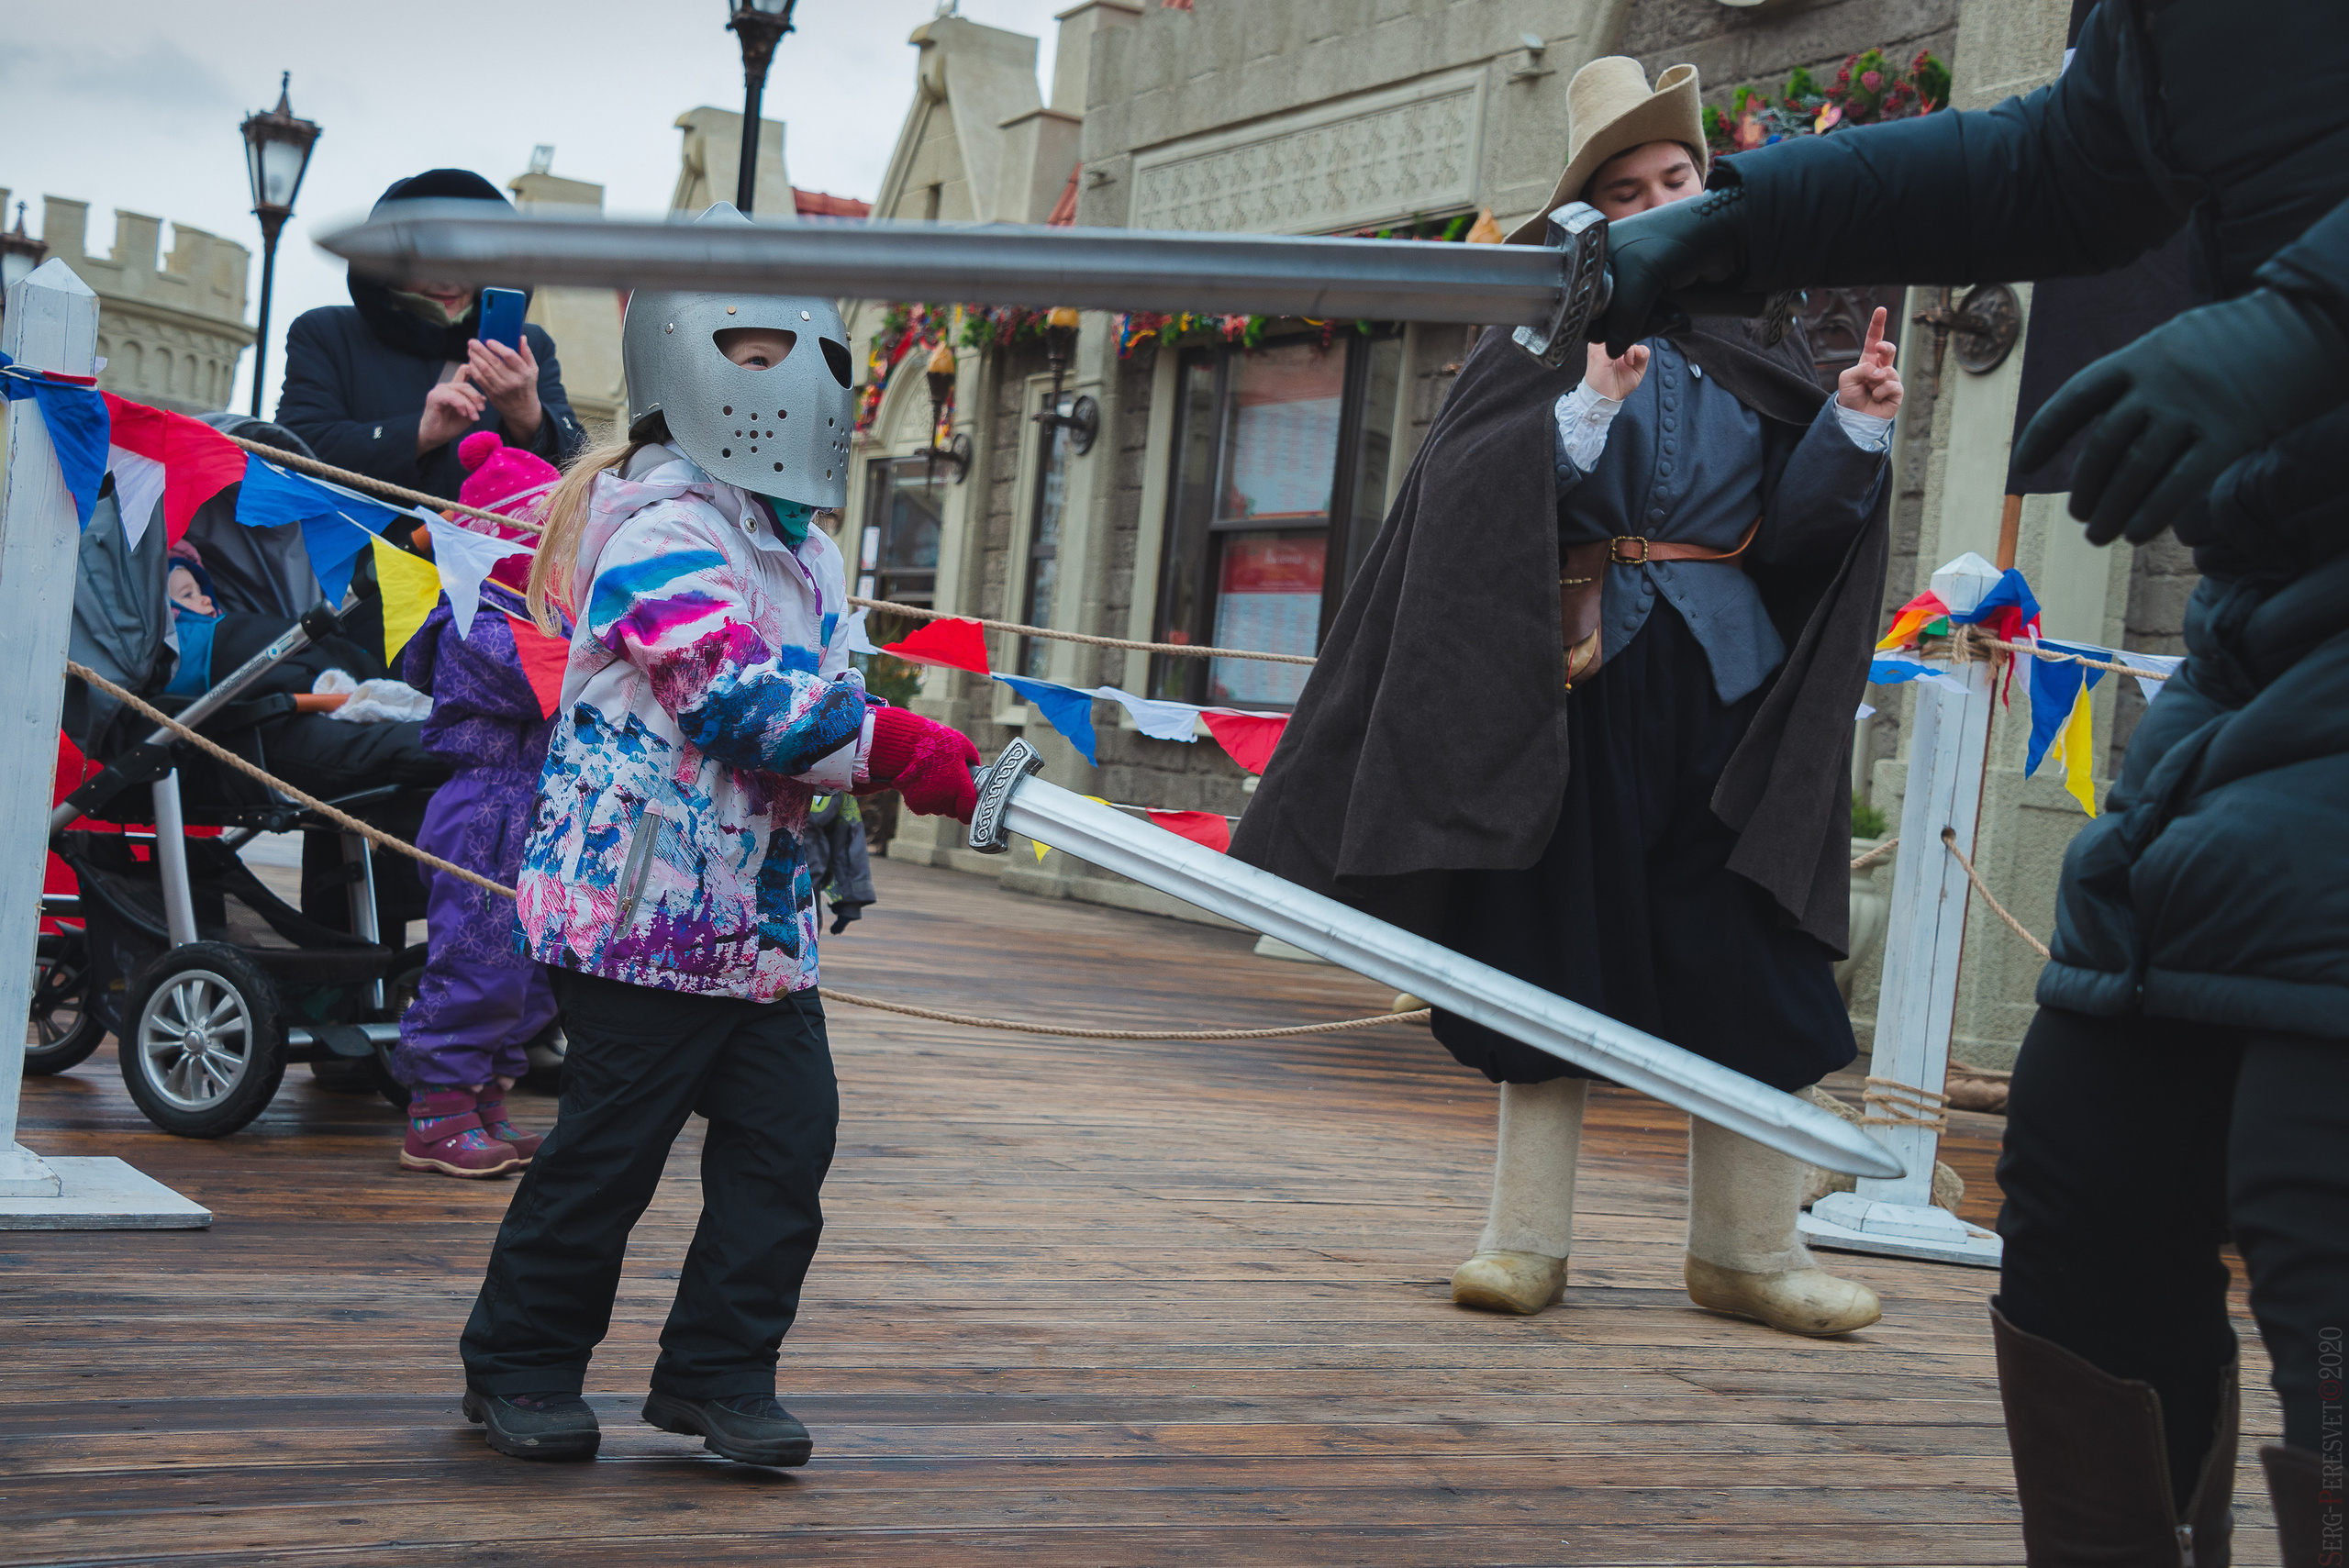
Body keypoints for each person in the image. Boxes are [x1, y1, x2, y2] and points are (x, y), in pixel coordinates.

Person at [1582, 3, 2347, 1559]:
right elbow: (2074, 156)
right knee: (2085, 1172)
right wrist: (1754, 217)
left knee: (2317, 1174)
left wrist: (2314, 320)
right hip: (2274, 631)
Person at [1230, 58, 1900, 1340]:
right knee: (1551, 947)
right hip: (1576, 691)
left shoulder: (1761, 342)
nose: (1658, 199)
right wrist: (1583, 412)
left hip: (1725, 691)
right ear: (1589, 213)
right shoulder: (1538, 334)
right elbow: (1477, 497)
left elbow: (1797, 545)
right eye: (1627, 187)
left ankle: (1749, 1253)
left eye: (1676, 177)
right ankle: (1523, 1242)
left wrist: (1853, 430)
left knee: (1747, 948)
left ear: (1708, 188)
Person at [455, 205, 983, 1469]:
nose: (791, 385)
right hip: (638, 912)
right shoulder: (656, 529)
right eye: (754, 356)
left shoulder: (813, 556)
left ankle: (718, 1372)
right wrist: (893, 744)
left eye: (811, 361)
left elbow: (818, 705)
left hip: (759, 921)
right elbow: (729, 693)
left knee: (787, 1143)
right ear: (687, 364)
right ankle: (519, 1362)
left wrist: (874, 771)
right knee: (610, 1153)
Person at [390, 433, 566, 1178]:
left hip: (540, 809)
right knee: (476, 959)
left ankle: (487, 1093)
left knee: (528, 972)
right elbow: (543, 685)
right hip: (488, 809)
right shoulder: (475, 614)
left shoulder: (543, 614)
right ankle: (437, 1109)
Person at [276, 169, 588, 506]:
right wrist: (418, 434)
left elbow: (580, 474)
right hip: (363, 553)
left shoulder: (529, 346)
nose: (449, 283)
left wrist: (530, 418)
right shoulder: (326, 332)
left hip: (488, 555)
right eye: (429, 263)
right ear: (390, 264)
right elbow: (293, 449)